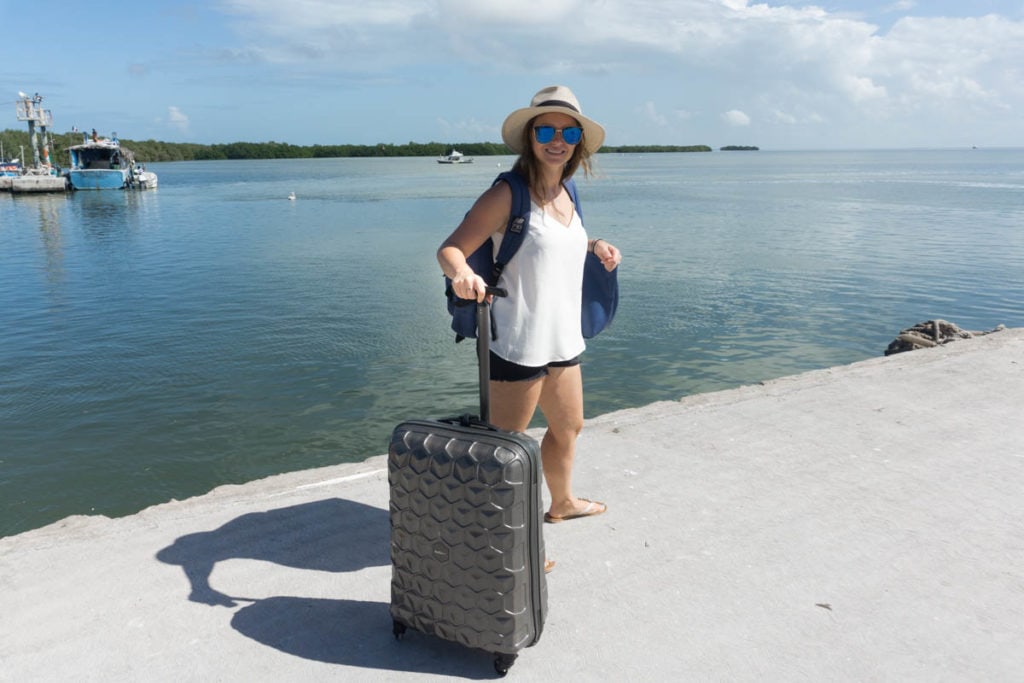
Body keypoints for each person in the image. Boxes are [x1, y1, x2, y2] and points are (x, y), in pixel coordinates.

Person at [437, 85, 622, 527]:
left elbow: (554, 244)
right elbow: (450, 250)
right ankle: (503, 539)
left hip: (562, 337)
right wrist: (461, 273)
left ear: (579, 142)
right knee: (507, 450)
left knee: (568, 428)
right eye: (546, 131)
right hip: (517, 342)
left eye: (569, 132)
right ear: (529, 137)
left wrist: (594, 244)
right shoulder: (507, 193)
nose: (557, 140)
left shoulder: (568, 192)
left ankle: (562, 503)